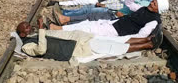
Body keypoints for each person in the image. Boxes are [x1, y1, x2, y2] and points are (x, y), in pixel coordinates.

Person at [17, 17, 164, 61]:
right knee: (114, 48)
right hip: (75, 49)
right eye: (27, 28)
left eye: (29, 26)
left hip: (80, 40)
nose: (30, 28)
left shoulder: (33, 36)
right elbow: (41, 49)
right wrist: (42, 28)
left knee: (115, 42)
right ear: (23, 35)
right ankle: (148, 45)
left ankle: (145, 40)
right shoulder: (26, 46)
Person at [49, 0, 169, 37]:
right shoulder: (144, 8)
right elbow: (128, 3)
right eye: (152, 1)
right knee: (88, 24)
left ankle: (58, 30)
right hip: (114, 23)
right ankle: (60, 29)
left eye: (154, 3)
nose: (151, 3)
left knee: (89, 29)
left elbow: (141, 35)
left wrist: (121, 41)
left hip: (118, 31)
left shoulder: (154, 20)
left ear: (159, 9)